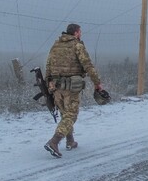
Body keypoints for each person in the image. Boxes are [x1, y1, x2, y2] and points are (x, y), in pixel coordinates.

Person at [43, 23, 103, 158]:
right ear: (76, 32)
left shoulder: (56, 45)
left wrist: (48, 85)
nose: (81, 34)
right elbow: (88, 66)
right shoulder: (77, 45)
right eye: (80, 31)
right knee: (71, 115)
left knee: (65, 114)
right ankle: (54, 142)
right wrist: (97, 83)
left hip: (56, 87)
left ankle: (70, 141)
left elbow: (48, 66)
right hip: (71, 88)